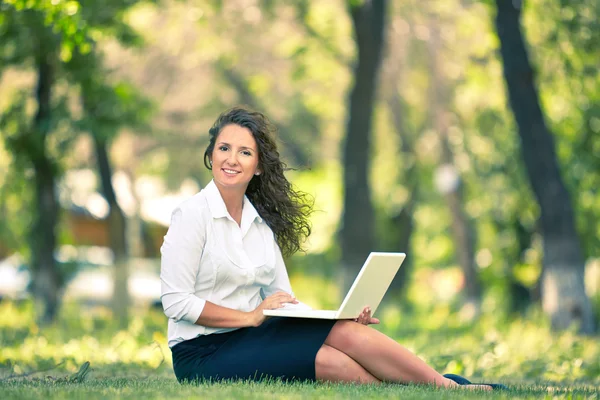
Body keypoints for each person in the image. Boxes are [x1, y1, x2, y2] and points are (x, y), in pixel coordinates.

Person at [160, 106, 505, 390]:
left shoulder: (258, 225)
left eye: (244, 152)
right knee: (326, 360)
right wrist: (249, 317)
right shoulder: (191, 216)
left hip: (253, 336)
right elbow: (176, 301)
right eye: (224, 148)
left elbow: (283, 299)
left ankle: (446, 388)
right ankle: (445, 388)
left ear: (259, 166)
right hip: (201, 352)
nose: (231, 159)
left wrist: (335, 317)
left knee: (345, 331)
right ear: (211, 154)